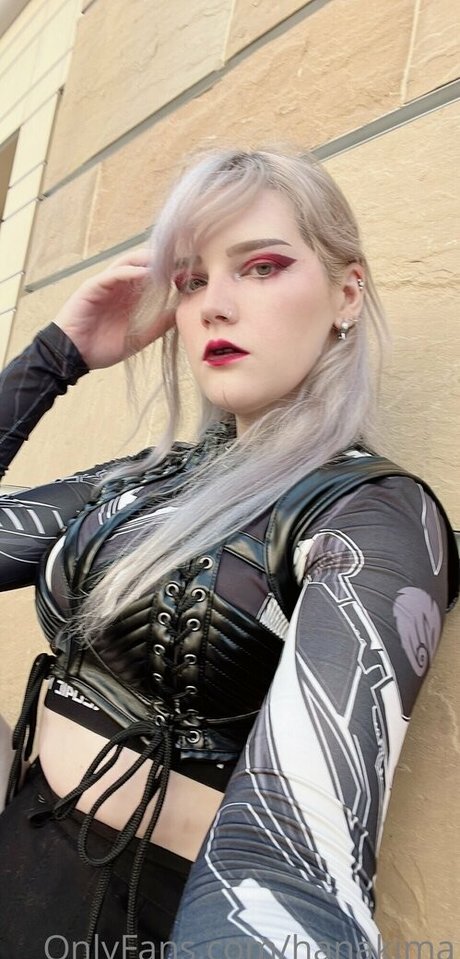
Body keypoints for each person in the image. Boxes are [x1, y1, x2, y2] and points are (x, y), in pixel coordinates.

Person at [0, 148, 457, 959]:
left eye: (262, 266)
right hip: (20, 844)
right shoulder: (143, 479)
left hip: (140, 918)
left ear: (347, 293)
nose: (214, 305)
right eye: (190, 280)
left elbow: (291, 861)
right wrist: (57, 355)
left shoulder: (373, 511)